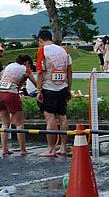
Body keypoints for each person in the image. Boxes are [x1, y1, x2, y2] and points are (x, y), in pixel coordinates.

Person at [35, 29, 73, 157]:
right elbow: (69, 71)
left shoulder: (42, 50)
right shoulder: (64, 50)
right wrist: (68, 88)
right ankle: (62, 147)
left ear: (41, 39)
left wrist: (38, 90)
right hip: (63, 87)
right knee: (63, 117)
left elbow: (40, 72)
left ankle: (51, 149)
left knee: (50, 117)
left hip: (48, 88)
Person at [0, 54, 37, 156]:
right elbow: (35, 83)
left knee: (5, 123)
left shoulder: (9, 66)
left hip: (0, 94)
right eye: (29, 65)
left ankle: (5, 149)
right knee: (19, 124)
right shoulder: (25, 69)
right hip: (11, 95)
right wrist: (40, 91)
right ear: (27, 63)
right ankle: (23, 149)